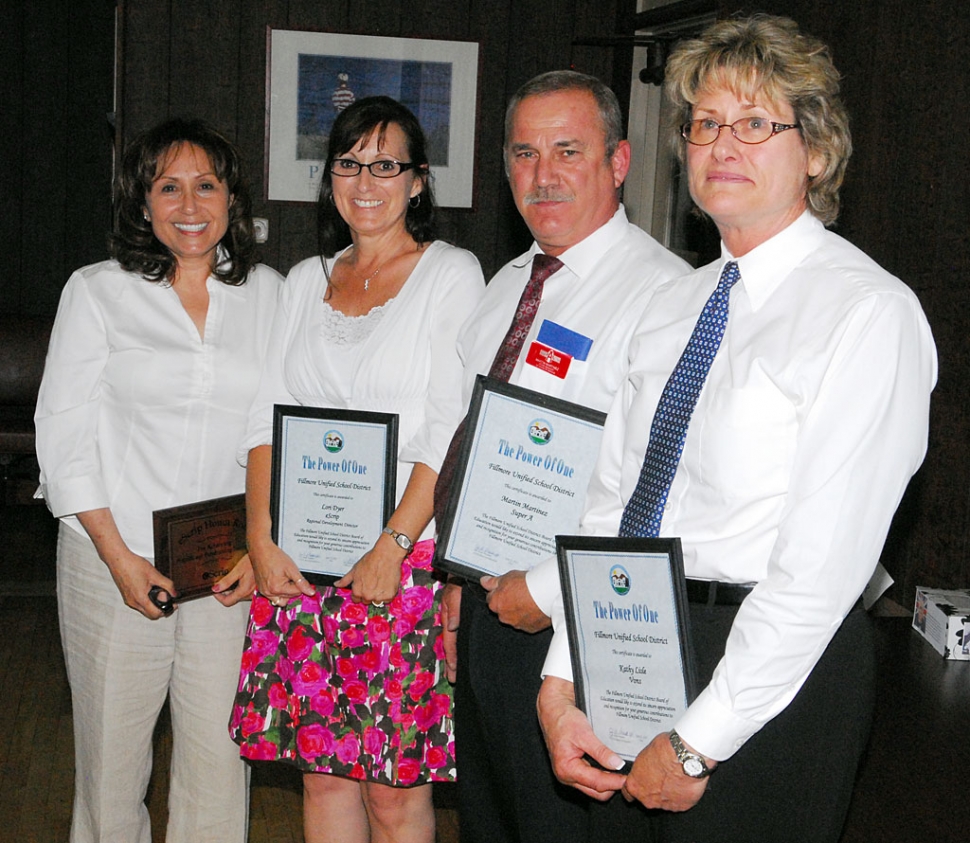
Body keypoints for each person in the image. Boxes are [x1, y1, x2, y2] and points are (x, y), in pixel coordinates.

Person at [536, 15, 937, 843]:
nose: (723, 144)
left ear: (817, 151)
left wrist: (694, 742)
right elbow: (611, 507)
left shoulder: (868, 314)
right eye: (705, 123)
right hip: (632, 636)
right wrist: (563, 678)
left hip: (771, 679)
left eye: (756, 123)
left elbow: (818, 574)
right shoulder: (671, 302)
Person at [426, 70, 690, 843]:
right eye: (524, 153)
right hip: (483, 610)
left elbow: (653, 487)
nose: (543, 175)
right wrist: (457, 579)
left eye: (568, 151)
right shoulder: (507, 283)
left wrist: (546, 589)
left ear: (618, 162)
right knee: (488, 819)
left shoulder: (664, 295)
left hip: (581, 624)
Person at [228, 96, 485, 843]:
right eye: (349, 163)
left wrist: (392, 548)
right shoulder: (305, 279)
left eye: (386, 164)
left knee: (394, 790)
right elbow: (264, 416)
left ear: (418, 180)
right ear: (329, 176)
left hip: (400, 562)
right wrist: (261, 538)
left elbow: (449, 425)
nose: (366, 180)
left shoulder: (450, 273)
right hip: (300, 561)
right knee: (321, 777)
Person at [34, 118, 282, 843]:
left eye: (206, 184)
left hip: (226, 568)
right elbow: (63, 435)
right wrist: (118, 558)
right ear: (142, 203)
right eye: (167, 186)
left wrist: (256, 546)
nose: (189, 203)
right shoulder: (96, 291)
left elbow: (279, 425)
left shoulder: (269, 293)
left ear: (231, 198)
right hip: (111, 559)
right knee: (111, 771)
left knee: (219, 767)